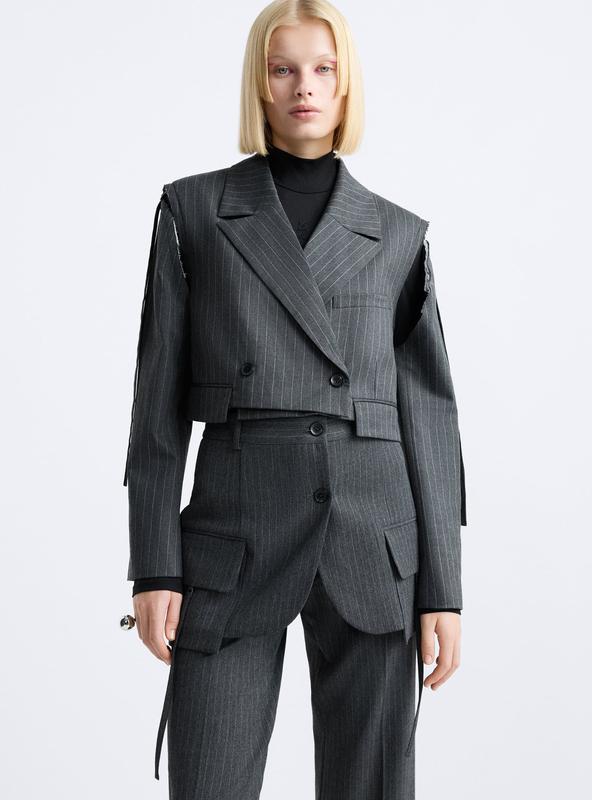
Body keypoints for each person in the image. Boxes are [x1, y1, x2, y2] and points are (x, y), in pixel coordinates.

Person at [122, 1, 467, 797]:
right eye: (283, 69)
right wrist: (153, 567)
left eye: (323, 68)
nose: (303, 87)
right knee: (209, 778)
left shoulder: (397, 234)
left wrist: (443, 588)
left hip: (374, 540)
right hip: (232, 535)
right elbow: (156, 408)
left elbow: (429, 418)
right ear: (259, 83)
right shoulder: (195, 211)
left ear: (346, 85)